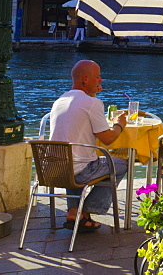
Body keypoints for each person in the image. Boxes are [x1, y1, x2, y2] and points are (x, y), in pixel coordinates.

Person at [49, 60, 128, 232]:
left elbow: (82, 109)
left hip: (54, 169)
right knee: (121, 164)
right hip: (79, 171)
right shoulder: (92, 103)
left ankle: (73, 212)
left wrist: (92, 96)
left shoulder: (61, 99)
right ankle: (84, 210)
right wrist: (119, 124)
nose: (101, 81)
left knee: (76, 159)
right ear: (85, 79)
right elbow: (108, 139)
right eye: (98, 77)